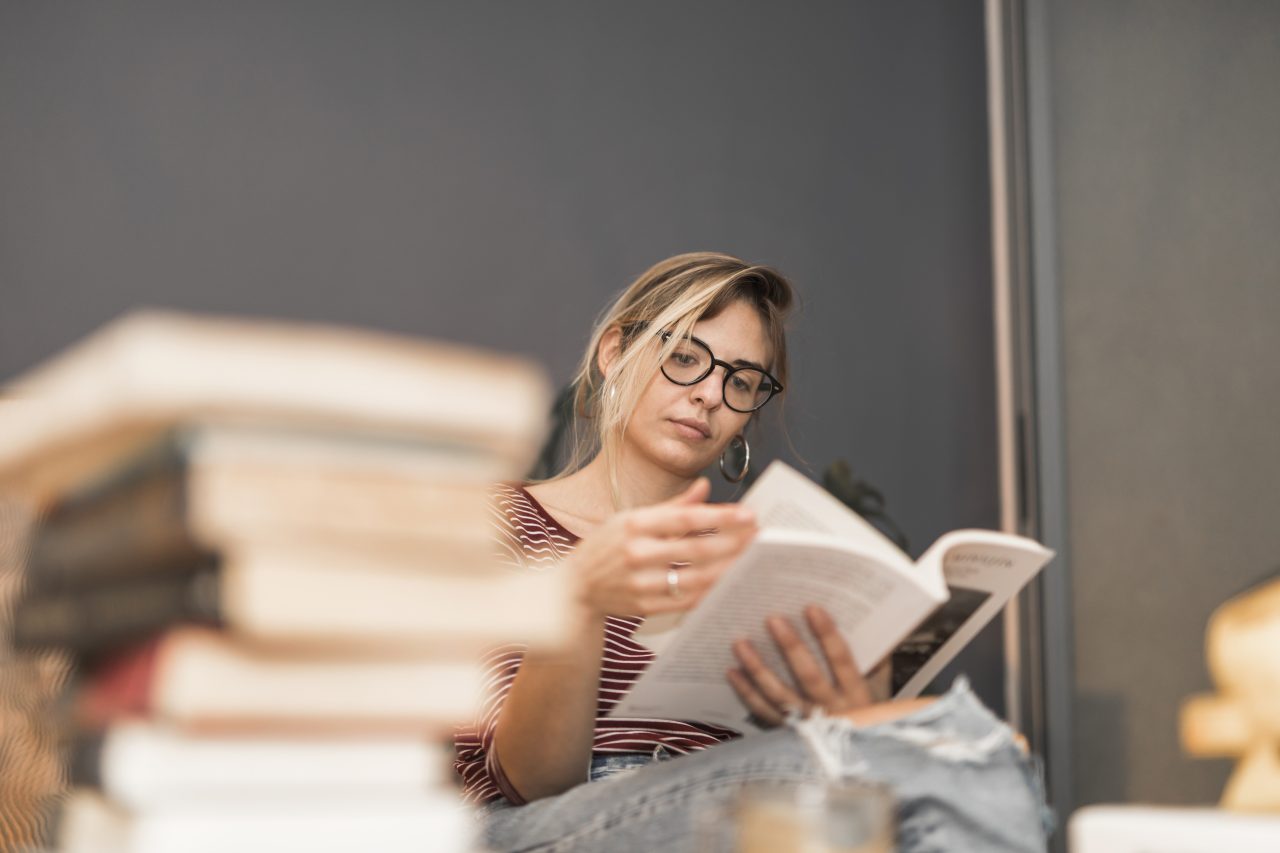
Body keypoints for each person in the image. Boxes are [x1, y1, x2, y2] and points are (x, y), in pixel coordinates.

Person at [455, 252, 1050, 852]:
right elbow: (530, 783)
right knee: (960, 752)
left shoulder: (759, 559)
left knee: (959, 752)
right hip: (539, 826)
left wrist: (845, 716)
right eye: (686, 358)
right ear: (615, 354)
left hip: (736, 815)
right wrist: (580, 602)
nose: (711, 394)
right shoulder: (498, 518)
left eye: (740, 381)